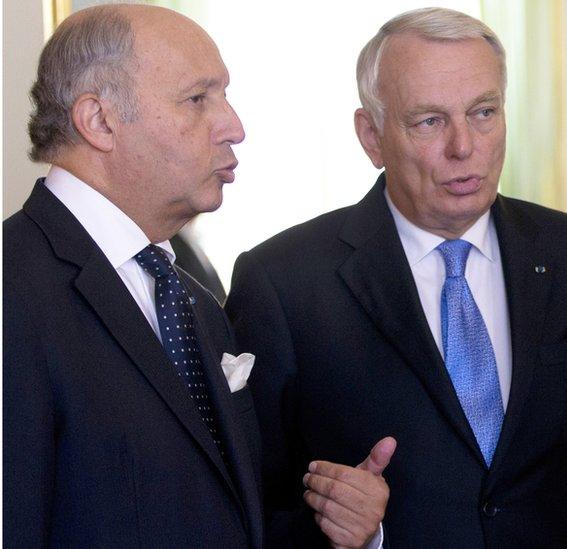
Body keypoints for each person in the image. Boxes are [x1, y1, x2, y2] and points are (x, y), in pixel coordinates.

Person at [225, 7, 567, 547]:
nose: (463, 146)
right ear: (371, 137)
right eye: (429, 121)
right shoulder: (283, 283)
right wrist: (356, 538)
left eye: (483, 112)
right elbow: (246, 504)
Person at [3, 5, 390, 547]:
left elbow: (221, 516)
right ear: (99, 120)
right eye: (197, 99)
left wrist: (346, 527)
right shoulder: (10, 291)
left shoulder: (193, 303)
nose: (234, 127)